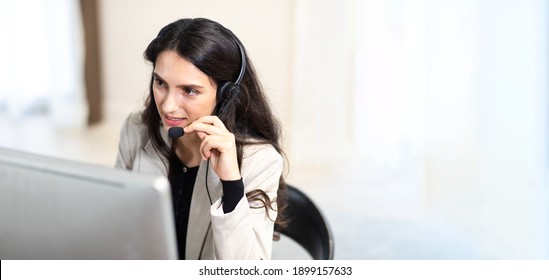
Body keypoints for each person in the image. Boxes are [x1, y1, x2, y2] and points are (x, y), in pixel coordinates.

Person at [115, 18, 287, 260]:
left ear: (227, 95)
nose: (168, 106)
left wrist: (231, 182)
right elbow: (119, 223)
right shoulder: (136, 129)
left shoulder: (260, 161)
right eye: (161, 83)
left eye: (189, 90)